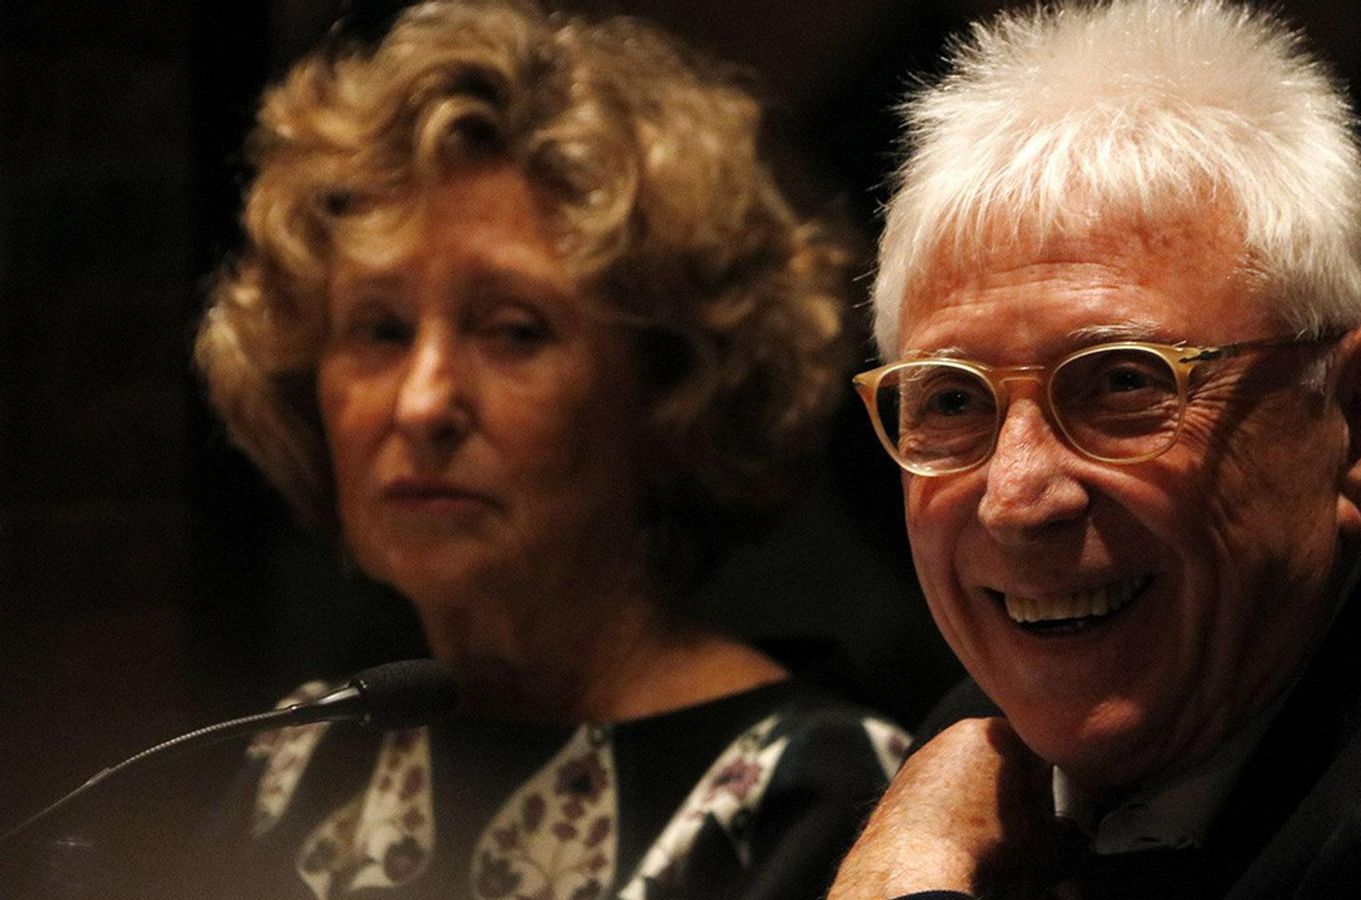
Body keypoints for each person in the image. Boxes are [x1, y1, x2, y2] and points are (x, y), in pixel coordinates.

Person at [828, 1, 1361, 897]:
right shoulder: (992, 734)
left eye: (1123, 383)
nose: (1018, 498)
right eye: (954, 400)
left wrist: (903, 878)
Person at [190, 1, 907, 897]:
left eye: (513, 331)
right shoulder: (294, 760)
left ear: (672, 388)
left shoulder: (824, 798)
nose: (422, 403)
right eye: (379, 330)